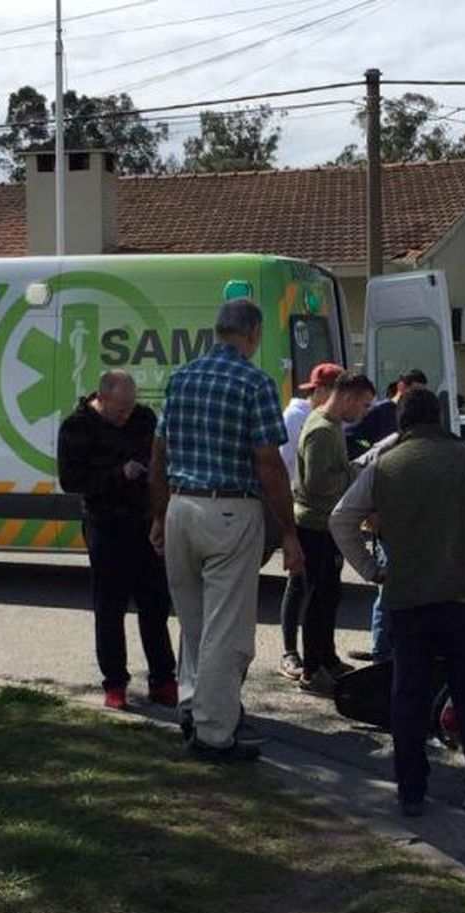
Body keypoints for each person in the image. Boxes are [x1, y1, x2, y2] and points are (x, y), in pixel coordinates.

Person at [331, 387, 465, 816]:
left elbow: (340, 518)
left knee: (408, 697)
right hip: (462, 597)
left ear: (401, 422)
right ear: (438, 419)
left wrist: (371, 569)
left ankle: (411, 789)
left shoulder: (384, 464)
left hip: (406, 599)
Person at [150, 297, 303, 763]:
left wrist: (159, 515)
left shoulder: (180, 378)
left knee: (194, 624)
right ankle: (215, 733)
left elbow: (159, 454)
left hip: (181, 506)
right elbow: (269, 464)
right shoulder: (253, 382)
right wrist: (289, 531)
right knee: (226, 631)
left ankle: (194, 709)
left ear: (218, 330)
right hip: (230, 510)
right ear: (253, 332)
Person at [57, 369, 177, 711]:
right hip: (105, 525)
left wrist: (160, 513)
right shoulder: (77, 426)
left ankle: (163, 680)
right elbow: (70, 479)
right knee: (109, 609)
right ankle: (115, 683)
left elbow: (160, 461)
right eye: (120, 410)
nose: (127, 416)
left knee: (154, 605)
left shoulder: (143, 419)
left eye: (130, 407)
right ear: (102, 398)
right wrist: (118, 474)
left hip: (144, 522)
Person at [292, 371, 375, 693]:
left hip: (328, 524)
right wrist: (353, 474)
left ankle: (326, 658)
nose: (364, 412)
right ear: (348, 397)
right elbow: (317, 483)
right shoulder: (323, 431)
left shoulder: (333, 426)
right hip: (316, 525)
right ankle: (312, 670)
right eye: (364, 405)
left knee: (329, 596)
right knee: (317, 598)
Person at [346, 367, 429, 663]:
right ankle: (381, 652)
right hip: (388, 519)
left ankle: (401, 650)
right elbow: (353, 447)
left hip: (413, 523)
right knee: (388, 589)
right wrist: (370, 506)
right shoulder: (384, 422)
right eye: (414, 391)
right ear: (402, 387)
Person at [277, 362, 344, 682]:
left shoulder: (328, 420)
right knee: (299, 583)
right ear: (320, 390)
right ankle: (291, 652)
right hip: (299, 509)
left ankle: (325, 655)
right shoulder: (297, 419)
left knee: (321, 591)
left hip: (320, 514)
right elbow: (280, 463)